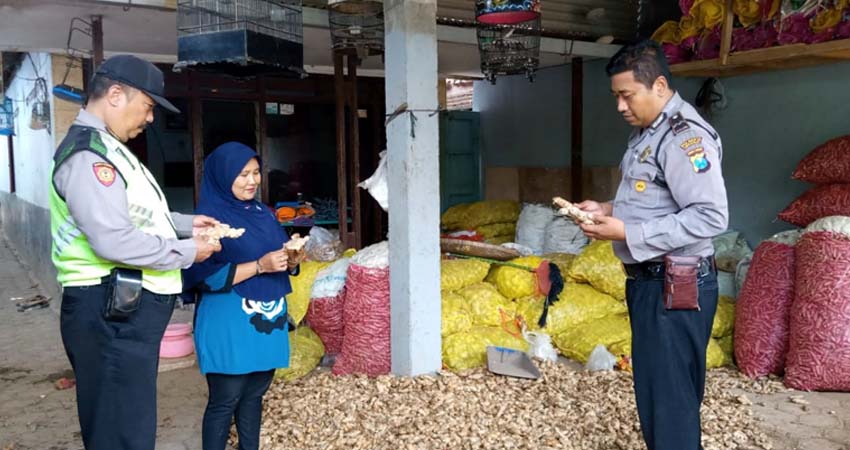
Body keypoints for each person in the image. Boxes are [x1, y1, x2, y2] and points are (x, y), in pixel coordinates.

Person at [50, 55, 221, 450]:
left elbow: (134, 213)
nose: (149, 119)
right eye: (147, 107)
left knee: (130, 420)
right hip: (108, 312)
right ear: (115, 95)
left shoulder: (110, 148)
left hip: (119, 312)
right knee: (119, 431)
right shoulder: (89, 156)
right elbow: (113, 240)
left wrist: (184, 223)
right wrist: (186, 251)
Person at [575, 40, 728, 450]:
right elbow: (655, 199)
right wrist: (607, 207)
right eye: (617, 97)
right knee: (663, 396)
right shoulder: (650, 133)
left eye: (627, 95)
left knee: (669, 401)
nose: (621, 106)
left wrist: (627, 232)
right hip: (654, 282)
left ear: (659, 85)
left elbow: (710, 216)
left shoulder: (684, 137)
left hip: (674, 285)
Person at [182, 142, 302, 450]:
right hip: (230, 319)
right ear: (223, 177)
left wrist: (291, 260)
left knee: (254, 396)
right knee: (225, 400)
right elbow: (203, 276)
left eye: (256, 172)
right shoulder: (210, 219)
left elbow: (276, 257)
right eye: (242, 174)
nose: (252, 181)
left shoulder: (263, 213)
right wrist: (261, 266)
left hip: (268, 317)